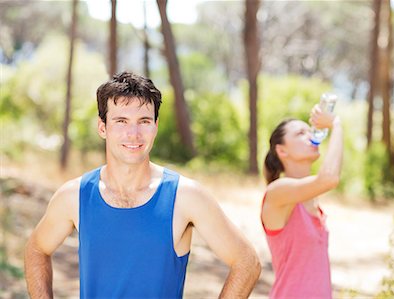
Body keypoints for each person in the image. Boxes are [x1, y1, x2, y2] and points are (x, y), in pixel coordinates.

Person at [24, 71, 261, 298]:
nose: (133, 133)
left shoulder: (186, 196)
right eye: (121, 121)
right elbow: (36, 250)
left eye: (144, 121)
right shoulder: (74, 195)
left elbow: (246, 262)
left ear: (155, 127)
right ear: (102, 127)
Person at [260, 105, 343, 298]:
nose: (311, 135)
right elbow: (329, 178)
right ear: (282, 150)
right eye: (300, 133)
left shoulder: (313, 201)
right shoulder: (276, 192)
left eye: (310, 130)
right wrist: (336, 125)